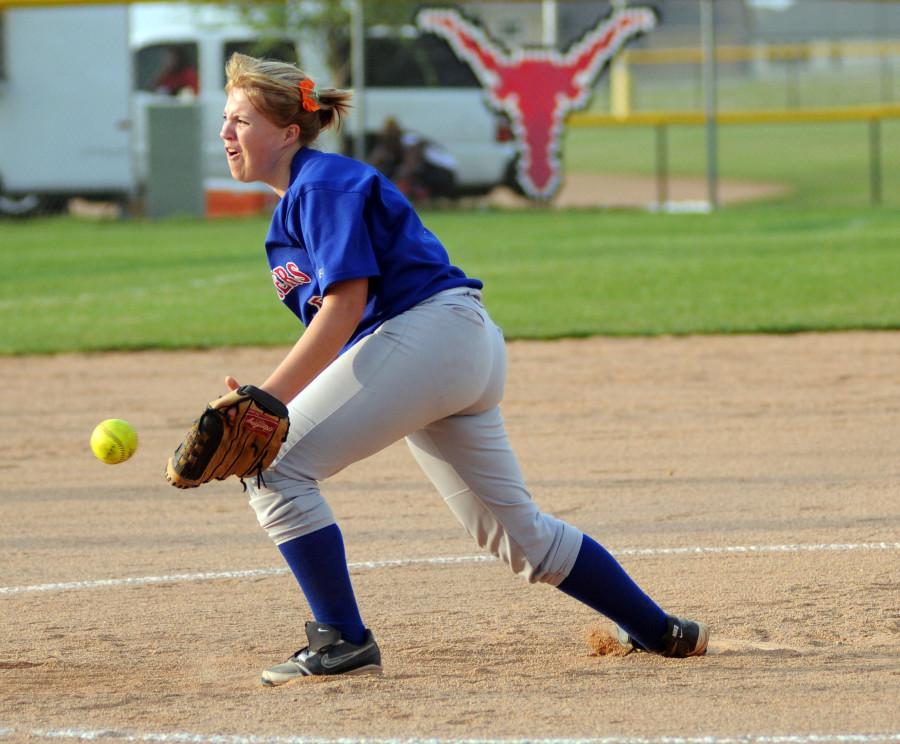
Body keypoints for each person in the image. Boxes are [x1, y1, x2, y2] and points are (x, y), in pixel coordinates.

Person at [217, 53, 709, 686]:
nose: (226, 133)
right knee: (521, 539)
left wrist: (269, 400)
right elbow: (346, 332)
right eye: (225, 120)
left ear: (288, 131)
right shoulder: (305, 196)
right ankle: (659, 630)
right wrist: (274, 395)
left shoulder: (321, 184)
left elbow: (346, 307)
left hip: (429, 336)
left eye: (241, 120)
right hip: (450, 346)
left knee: (274, 465)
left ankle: (342, 639)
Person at [367, 117, 458, 202]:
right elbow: (373, 163)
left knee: (413, 175)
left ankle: (427, 200)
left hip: (443, 172)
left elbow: (410, 167)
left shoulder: (410, 141)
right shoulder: (390, 145)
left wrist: (393, 184)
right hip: (428, 170)